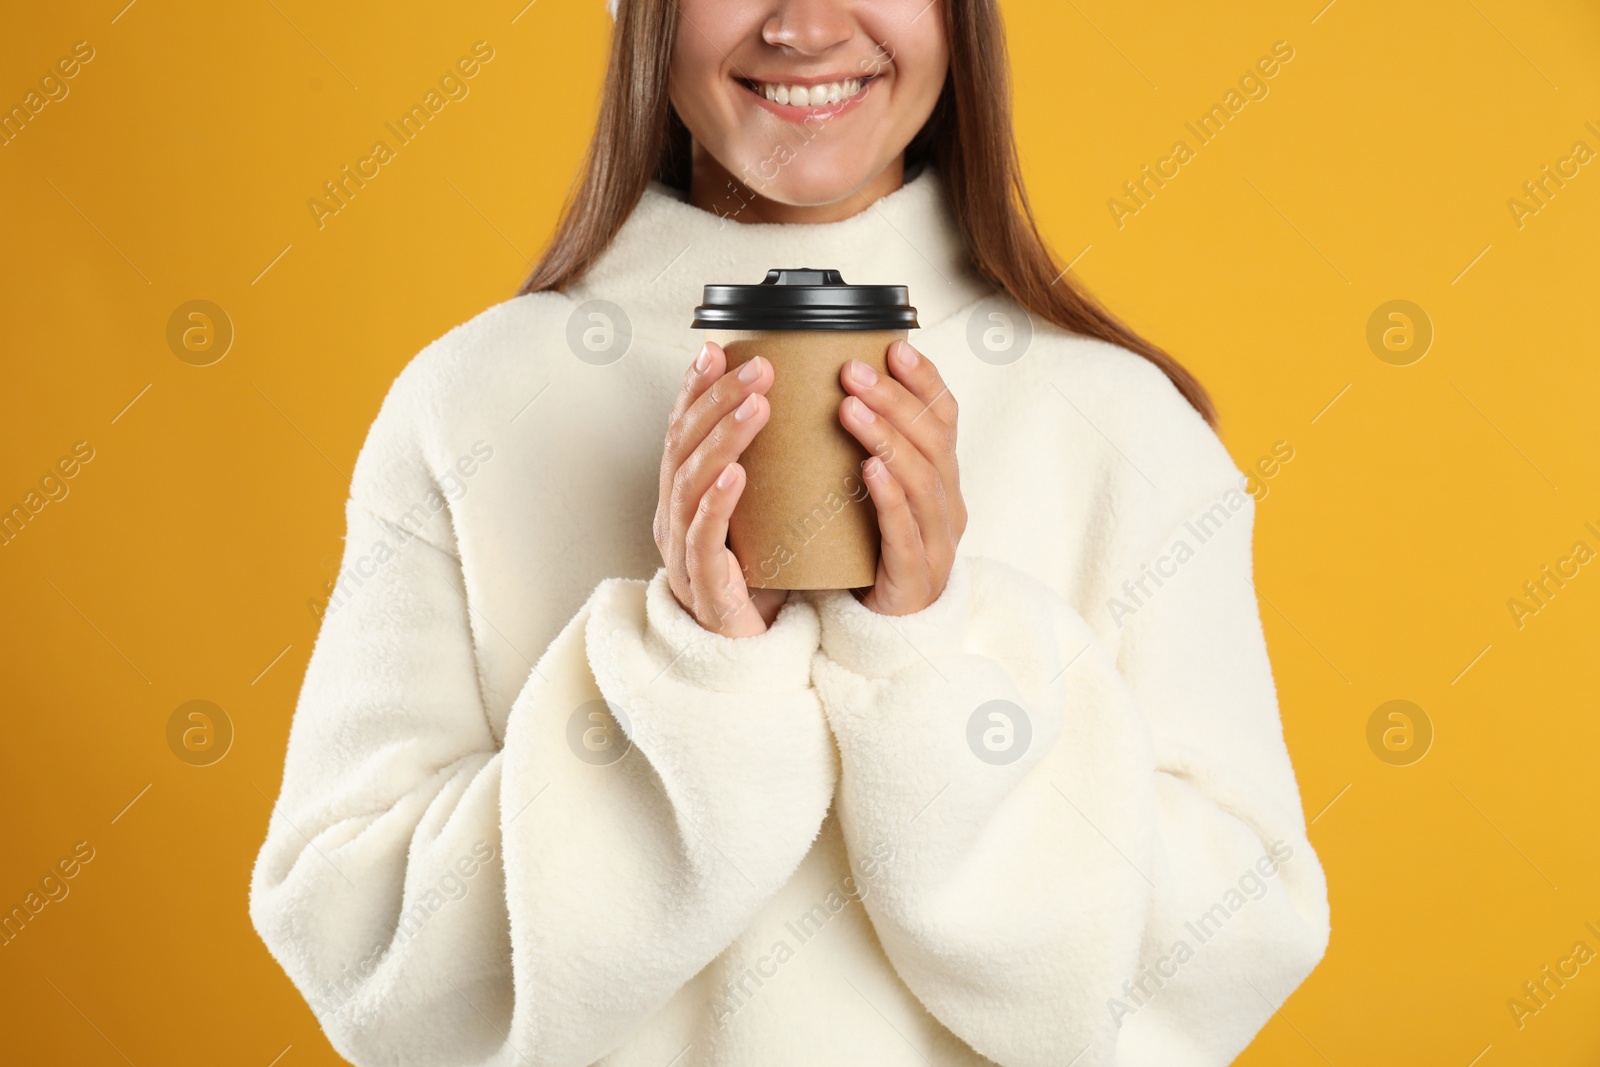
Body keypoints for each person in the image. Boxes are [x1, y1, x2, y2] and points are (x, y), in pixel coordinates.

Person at [249, 1, 1330, 1064]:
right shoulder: (472, 407)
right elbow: (364, 958)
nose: (806, 27)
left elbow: (1230, 946)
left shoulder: (1124, 429)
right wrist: (690, 679)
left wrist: (934, 663)